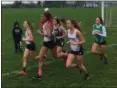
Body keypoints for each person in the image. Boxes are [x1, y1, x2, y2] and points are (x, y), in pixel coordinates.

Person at [34, 11, 56, 79]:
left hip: (50, 43)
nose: (41, 17)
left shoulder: (47, 25)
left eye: (42, 16)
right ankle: (39, 74)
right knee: (40, 58)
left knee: (56, 56)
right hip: (45, 43)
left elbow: (49, 36)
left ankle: (65, 54)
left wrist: (40, 33)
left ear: (46, 18)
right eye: (41, 16)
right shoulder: (44, 23)